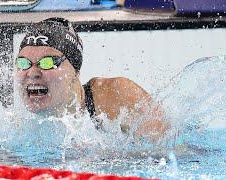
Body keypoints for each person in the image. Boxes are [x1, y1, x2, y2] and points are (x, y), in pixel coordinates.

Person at [15, 17, 169, 142]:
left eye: (47, 62)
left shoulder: (117, 95)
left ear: (76, 71)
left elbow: (173, 148)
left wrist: (104, 157)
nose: (32, 72)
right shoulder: (19, 129)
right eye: (23, 63)